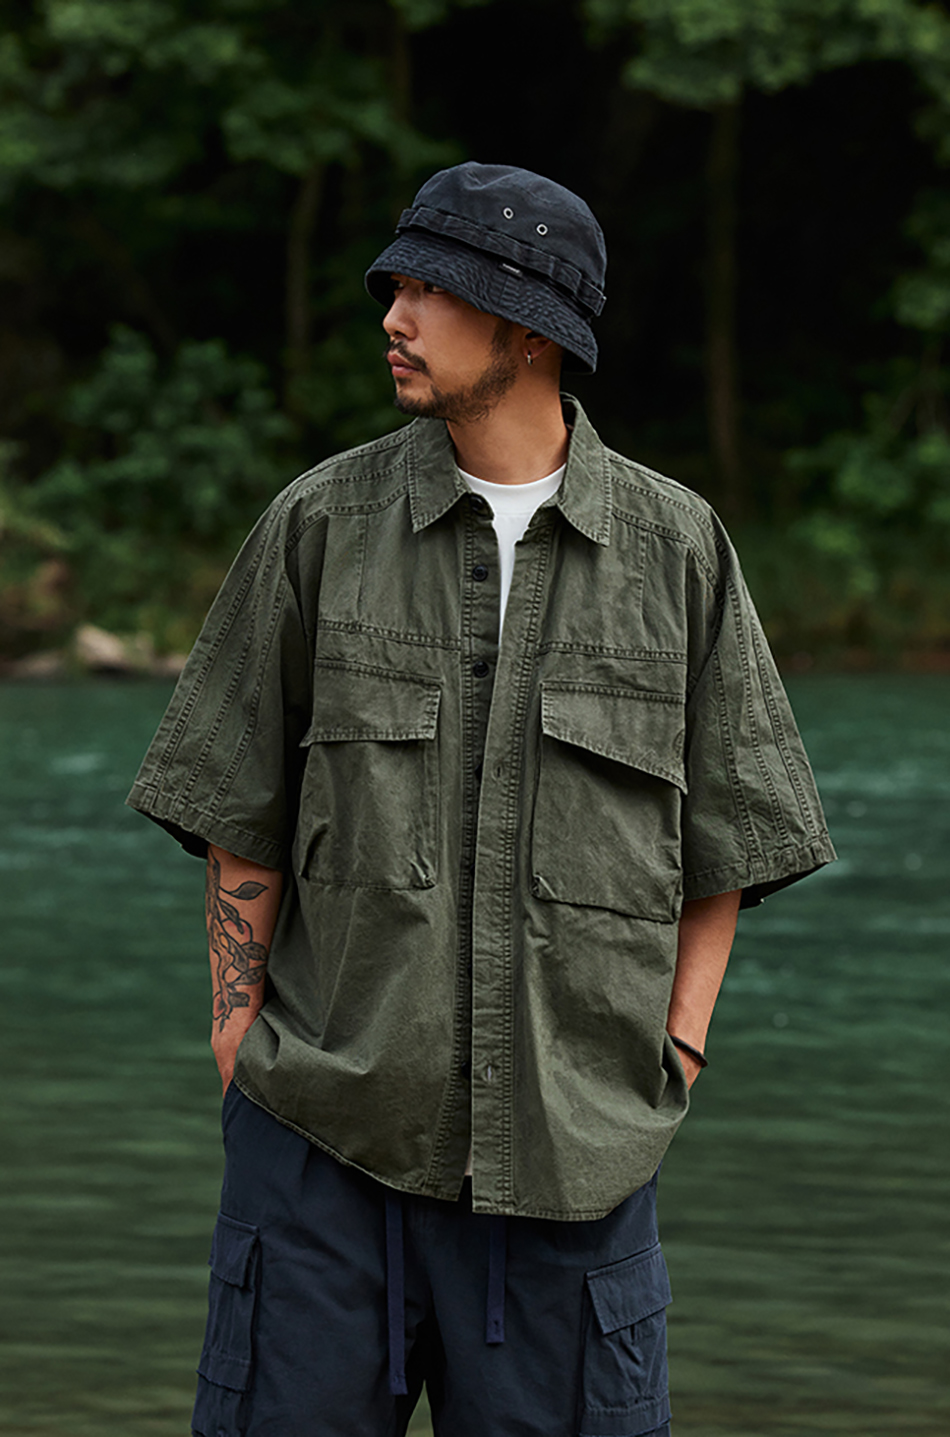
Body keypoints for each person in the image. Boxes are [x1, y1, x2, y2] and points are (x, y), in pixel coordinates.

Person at [128, 162, 835, 1437]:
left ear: (526, 330)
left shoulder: (677, 551)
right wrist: (235, 1035)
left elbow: (729, 839)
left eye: (429, 291)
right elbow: (237, 807)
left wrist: (676, 1046)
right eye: (393, 287)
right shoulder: (316, 525)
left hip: (576, 1171)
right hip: (319, 1155)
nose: (393, 317)